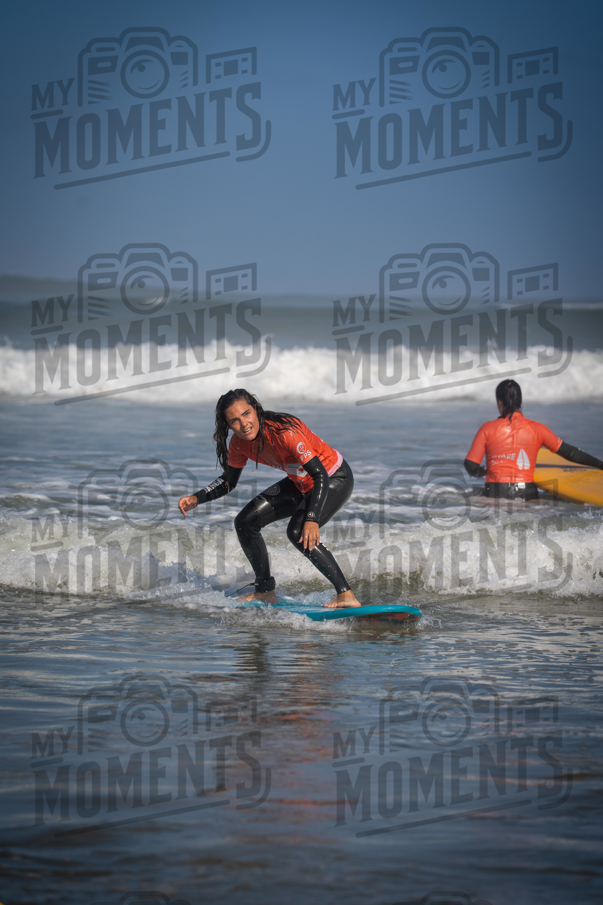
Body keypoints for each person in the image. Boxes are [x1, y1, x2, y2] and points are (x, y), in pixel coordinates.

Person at [178, 388, 361, 607]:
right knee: (245, 522)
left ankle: (346, 595)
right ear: (228, 425)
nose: (244, 424)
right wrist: (197, 498)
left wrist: (312, 519)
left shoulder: (285, 432)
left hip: (333, 477)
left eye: (246, 414)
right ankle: (265, 591)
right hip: (300, 482)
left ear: (256, 410)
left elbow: (319, 474)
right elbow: (229, 481)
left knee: (297, 531)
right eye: (234, 421)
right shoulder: (238, 444)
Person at [464, 379, 603, 500]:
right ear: (521, 401)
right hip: (526, 493)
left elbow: (470, 465)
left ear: (499, 402)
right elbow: (570, 453)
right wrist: (599, 464)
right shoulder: (538, 429)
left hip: (494, 492)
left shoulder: (487, 428)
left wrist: (480, 472)